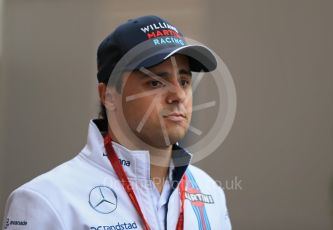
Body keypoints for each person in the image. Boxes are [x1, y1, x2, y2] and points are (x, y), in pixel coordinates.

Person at [2, 15, 232, 230]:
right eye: (155, 83)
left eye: (184, 81)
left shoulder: (210, 192)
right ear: (108, 95)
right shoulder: (44, 201)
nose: (178, 95)